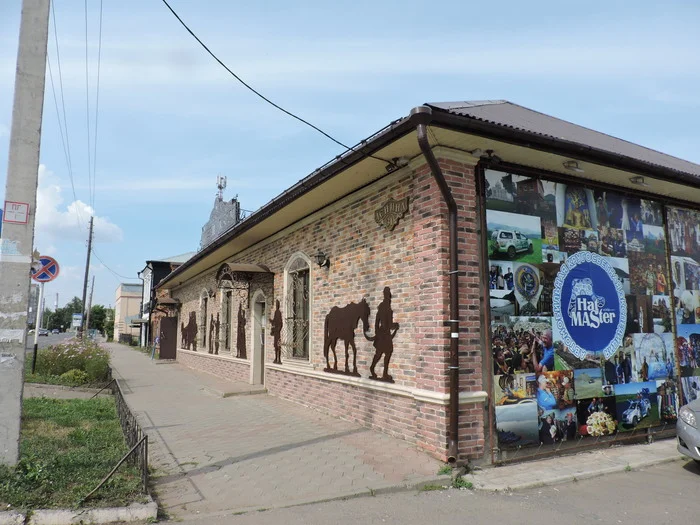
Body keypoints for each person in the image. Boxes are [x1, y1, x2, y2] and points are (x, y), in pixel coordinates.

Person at [369, 287, 400, 382]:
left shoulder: (381, 307)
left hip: (382, 333)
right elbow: (390, 324)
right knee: (385, 353)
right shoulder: (387, 308)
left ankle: (381, 372)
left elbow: (376, 322)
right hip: (385, 334)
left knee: (382, 353)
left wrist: (377, 332)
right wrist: (396, 325)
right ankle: (381, 372)